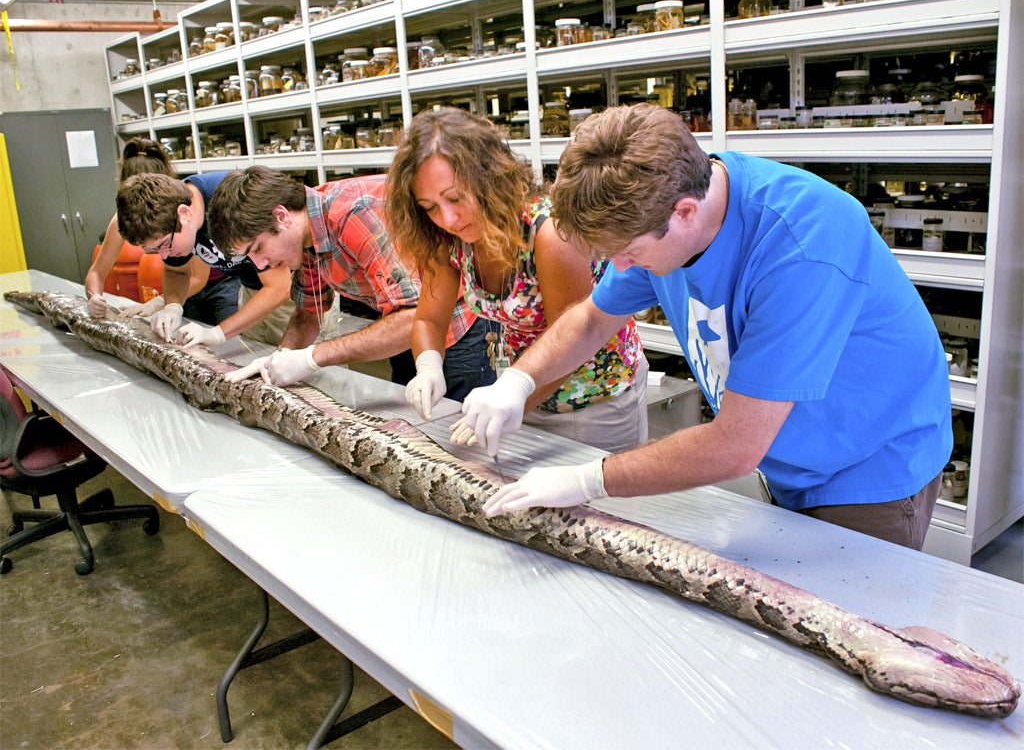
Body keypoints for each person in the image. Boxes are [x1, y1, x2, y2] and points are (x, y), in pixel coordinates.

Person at [467, 103, 952, 551]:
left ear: (685, 213)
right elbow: (595, 318)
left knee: (838, 626)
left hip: (868, 466)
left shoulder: (804, 244)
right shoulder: (658, 208)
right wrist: (518, 381)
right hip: (786, 457)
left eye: (629, 254)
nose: (621, 267)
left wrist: (589, 479)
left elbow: (735, 446)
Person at [384, 107, 648, 452]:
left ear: (488, 177)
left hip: (593, 398)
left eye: (455, 197)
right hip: (523, 389)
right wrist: (428, 365)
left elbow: (575, 342)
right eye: (430, 207)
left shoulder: (549, 234)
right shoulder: (448, 239)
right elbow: (430, 318)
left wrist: (513, 397)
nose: (447, 217)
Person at [206, 165, 486, 399]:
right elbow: (308, 313)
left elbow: (413, 317)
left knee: (459, 438)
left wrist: (311, 358)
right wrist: (277, 360)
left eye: (257, 248)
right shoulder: (305, 241)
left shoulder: (352, 214)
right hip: (406, 338)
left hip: (458, 330)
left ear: (281, 217)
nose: (260, 265)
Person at [116, 171, 292, 346]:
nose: (164, 254)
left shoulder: (231, 204)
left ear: (184, 214)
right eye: (154, 250)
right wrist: (172, 306)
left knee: (288, 360)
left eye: (164, 244)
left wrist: (216, 333)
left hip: (293, 290)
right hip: (250, 289)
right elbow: (175, 271)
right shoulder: (168, 218)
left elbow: (279, 288)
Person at [83, 138, 209, 319]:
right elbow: (96, 272)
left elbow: (197, 277)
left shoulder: (186, 212)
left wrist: (157, 304)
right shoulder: (127, 219)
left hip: (210, 285)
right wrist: (94, 297)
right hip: (173, 287)